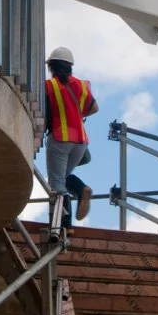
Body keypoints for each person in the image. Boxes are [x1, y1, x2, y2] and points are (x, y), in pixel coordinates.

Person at [44, 45, 98, 226]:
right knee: (62, 176)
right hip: (80, 141)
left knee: (57, 184)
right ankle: (81, 190)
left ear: (51, 66)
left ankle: (63, 226)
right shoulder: (81, 85)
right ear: (70, 66)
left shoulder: (49, 85)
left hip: (60, 137)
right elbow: (94, 108)